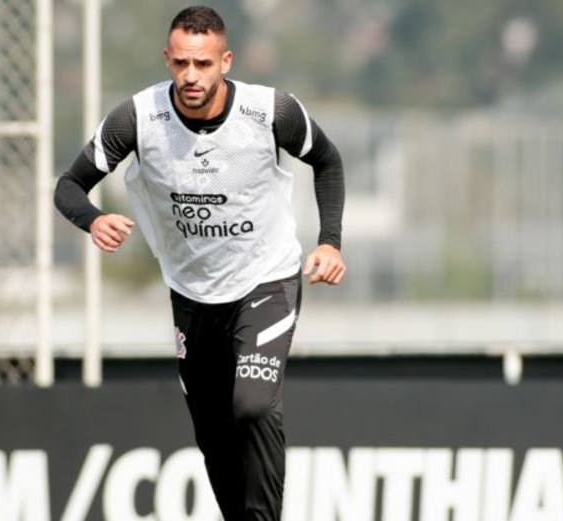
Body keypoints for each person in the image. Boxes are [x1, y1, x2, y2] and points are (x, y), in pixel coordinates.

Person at [54, 6, 345, 520]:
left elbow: (326, 159)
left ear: (225, 62)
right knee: (213, 432)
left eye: (204, 64)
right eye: (182, 63)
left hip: (266, 279)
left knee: (252, 405)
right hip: (192, 293)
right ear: (167, 59)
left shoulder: (269, 111)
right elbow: (69, 186)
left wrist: (330, 241)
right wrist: (92, 220)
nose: (192, 76)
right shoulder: (137, 119)